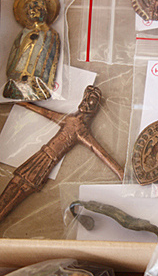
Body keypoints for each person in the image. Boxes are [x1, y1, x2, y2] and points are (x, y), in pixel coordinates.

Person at [0, 86, 124, 221]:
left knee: (23, 189)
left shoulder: (82, 131)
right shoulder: (69, 119)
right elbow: (44, 112)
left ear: (94, 109)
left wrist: (120, 173)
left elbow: (101, 152)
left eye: (91, 100)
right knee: (16, 182)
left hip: (47, 163)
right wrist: (22, 103)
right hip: (41, 155)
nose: (86, 102)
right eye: (86, 98)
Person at [3, 0, 61, 101]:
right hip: (17, 79)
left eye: (35, 7)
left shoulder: (50, 34)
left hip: (37, 81)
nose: (32, 11)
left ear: (44, 10)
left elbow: (50, 61)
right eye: (28, 8)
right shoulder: (24, 33)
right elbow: (15, 54)